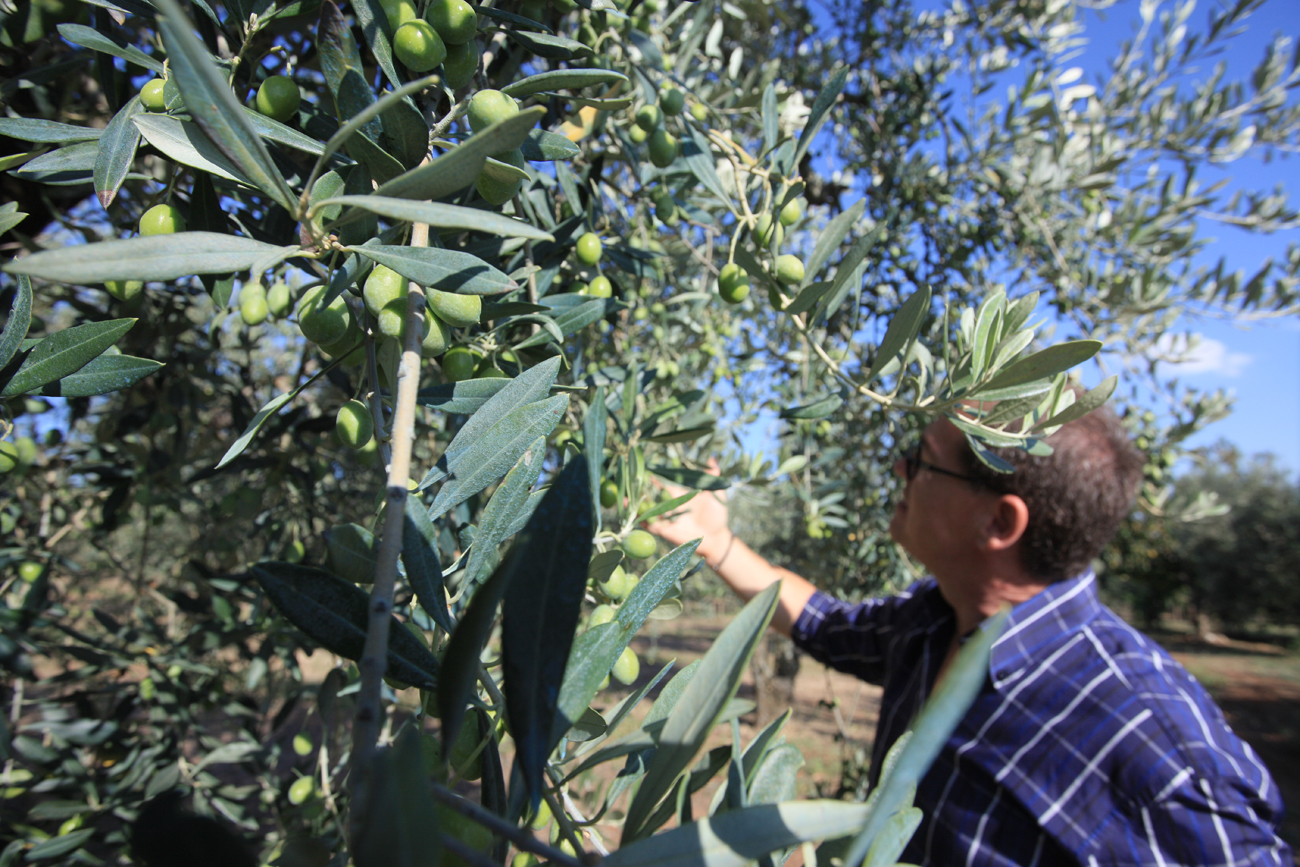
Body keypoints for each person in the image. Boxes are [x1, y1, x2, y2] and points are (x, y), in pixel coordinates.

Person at [649, 405, 1291, 866]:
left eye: (925, 461)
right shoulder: (933, 620)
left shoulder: (1151, 746)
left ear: (999, 523)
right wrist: (716, 542)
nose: (899, 468)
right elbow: (825, 625)